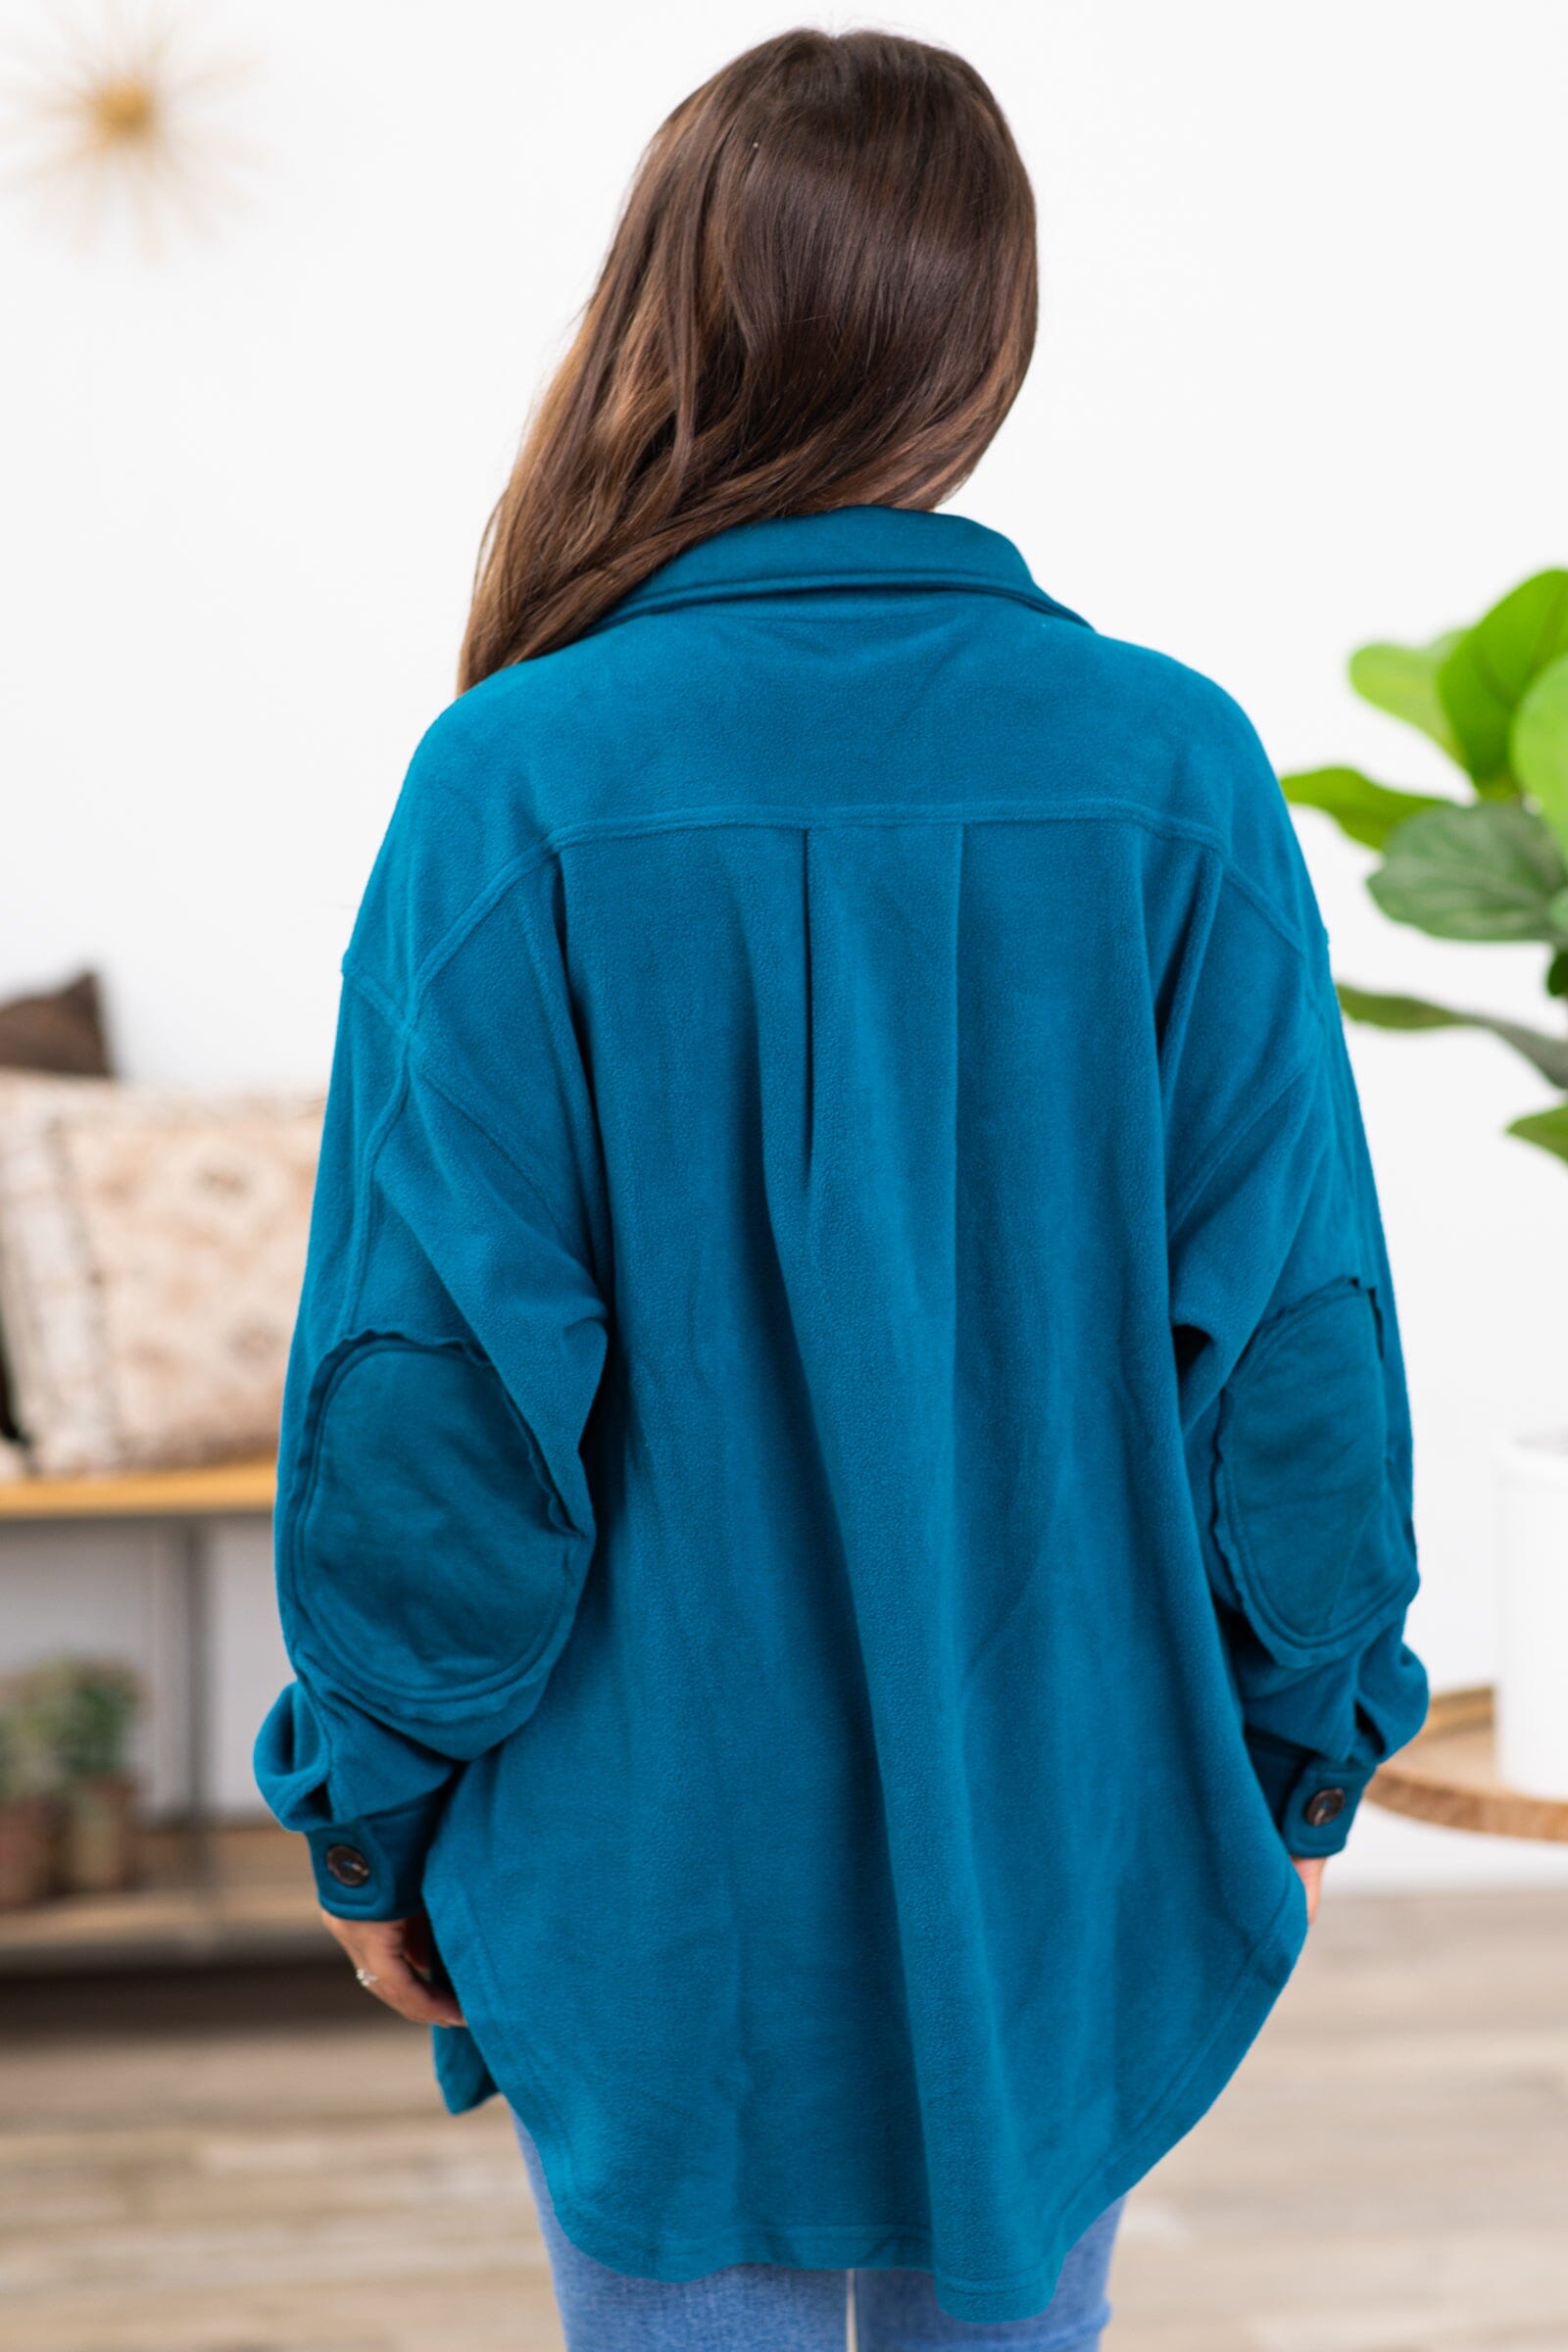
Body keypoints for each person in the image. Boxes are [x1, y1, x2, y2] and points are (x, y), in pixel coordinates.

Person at [255, 27, 1428, 2351]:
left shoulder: (513, 780)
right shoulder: (1170, 769)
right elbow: (1290, 1362)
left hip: (644, 1889)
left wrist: (366, 1804)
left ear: (670, 306)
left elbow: (434, 1409)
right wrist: (1302, 1754)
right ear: (986, 330)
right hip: (1057, 1861)